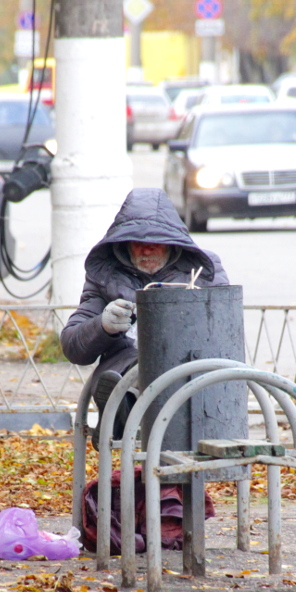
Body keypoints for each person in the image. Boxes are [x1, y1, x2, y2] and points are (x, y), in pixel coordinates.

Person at [60, 188, 229, 448]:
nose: (146, 250)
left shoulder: (203, 269)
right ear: (124, 243)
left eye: (156, 241)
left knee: (163, 362)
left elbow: (224, 330)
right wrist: (102, 326)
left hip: (192, 374)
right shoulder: (106, 274)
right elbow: (73, 347)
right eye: (138, 242)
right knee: (137, 366)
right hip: (126, 366)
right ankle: (122, 403)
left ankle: (122, 410)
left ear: (173, 241)